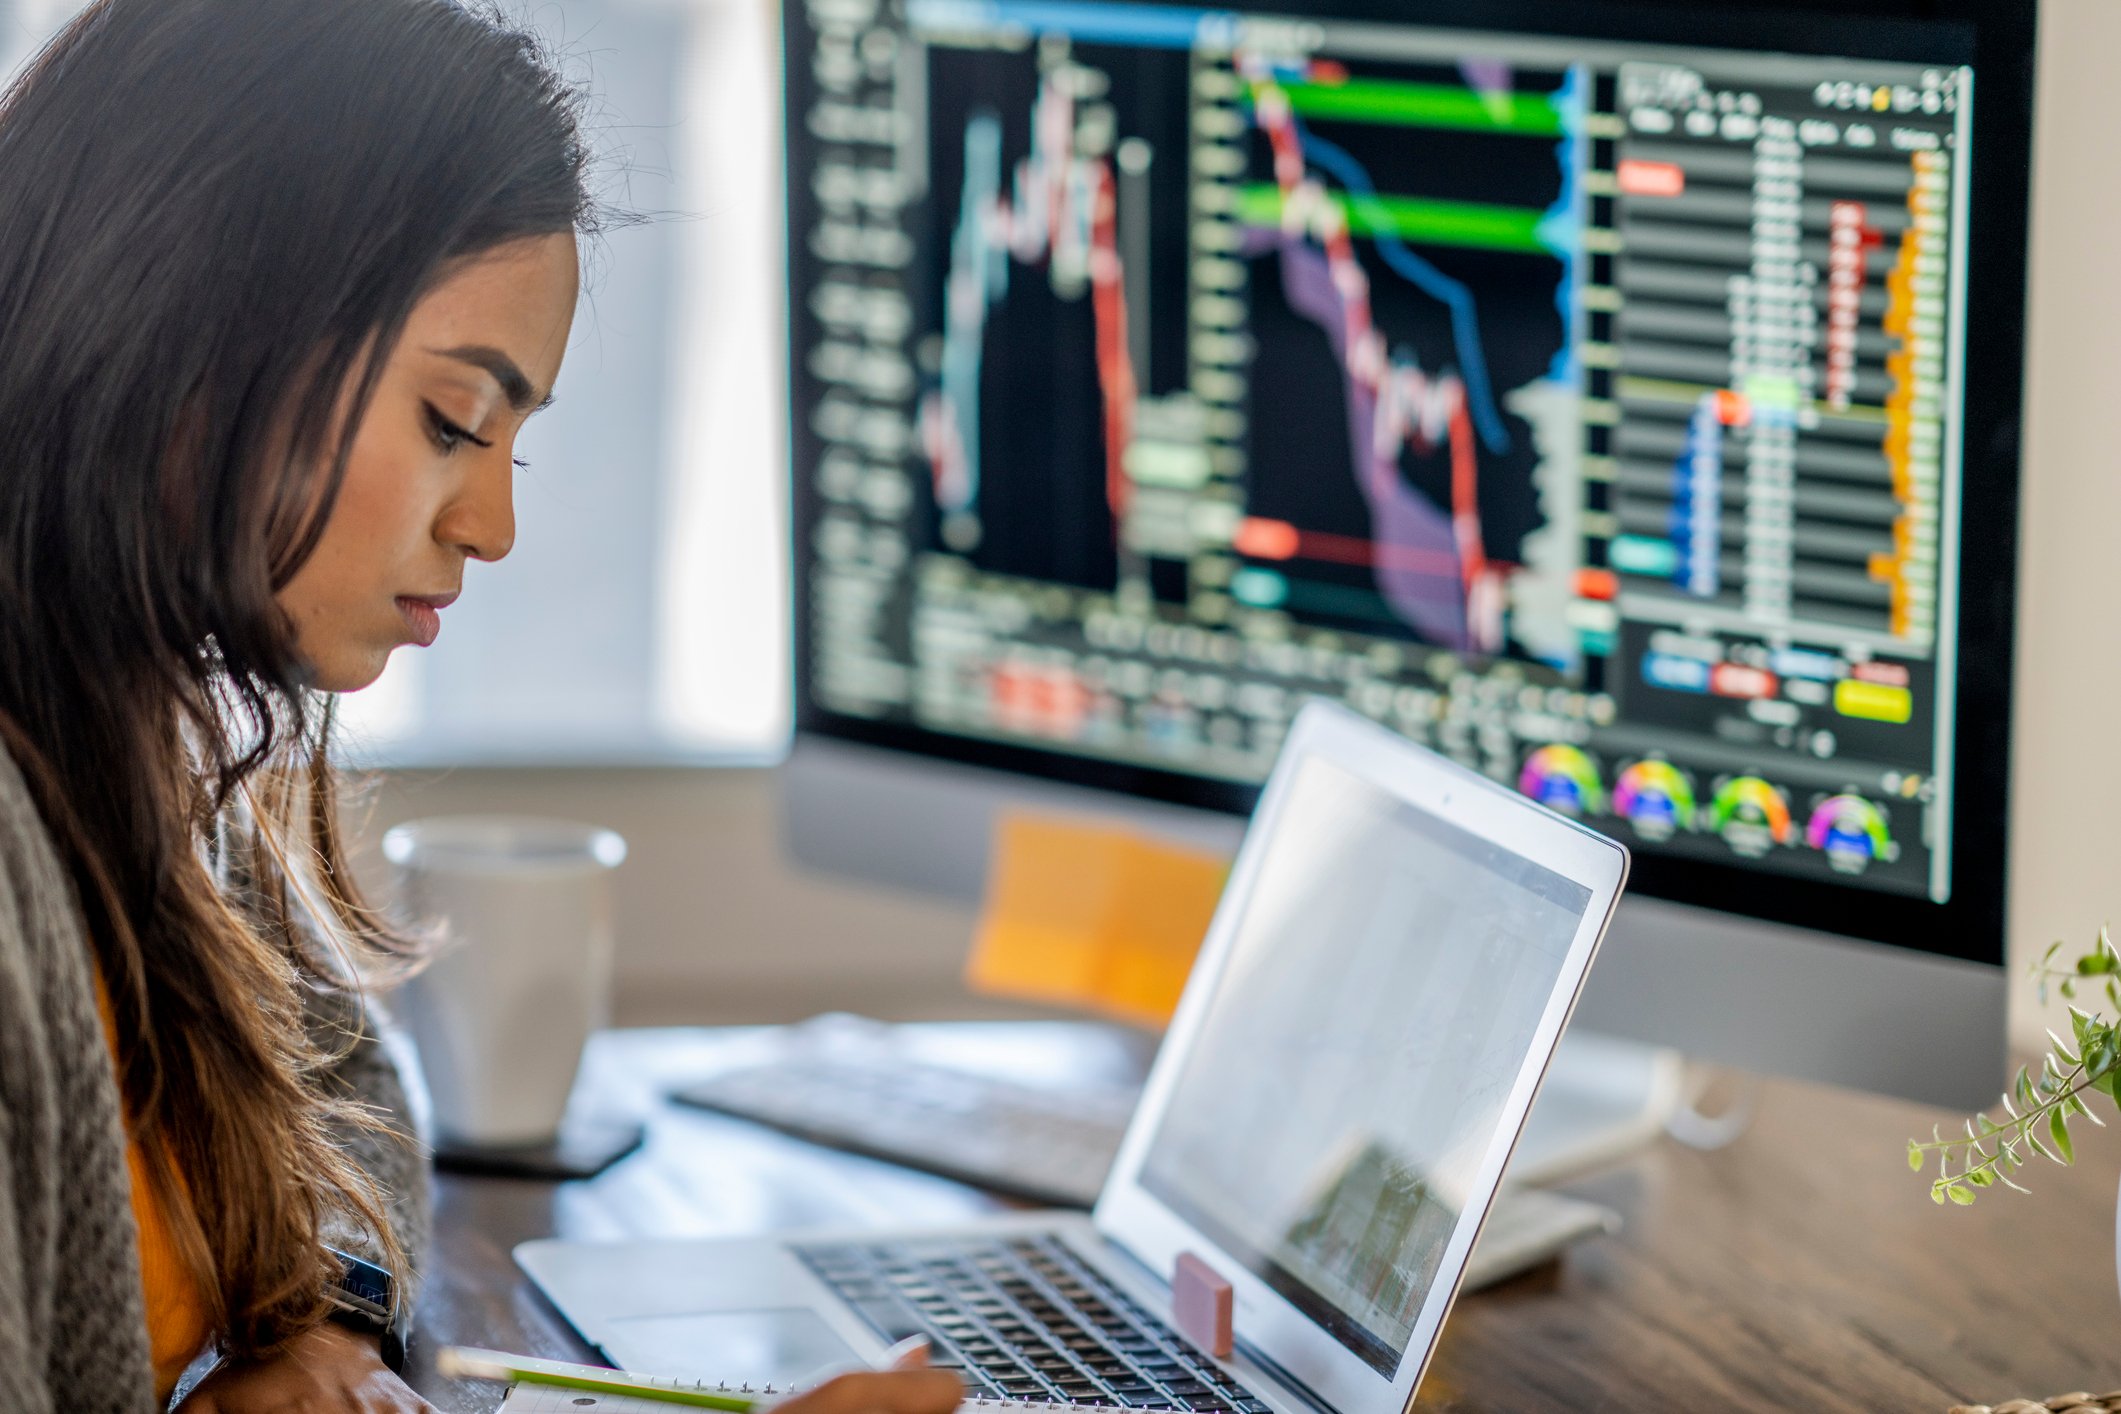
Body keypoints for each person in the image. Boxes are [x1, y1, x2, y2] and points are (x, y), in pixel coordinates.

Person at [0, 3, 968, 1413]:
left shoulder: (135, 731)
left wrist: (322, 1328)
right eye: (454, 419)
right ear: (194, 335)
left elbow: (344, 1076)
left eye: (515, 440)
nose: (496, 524)